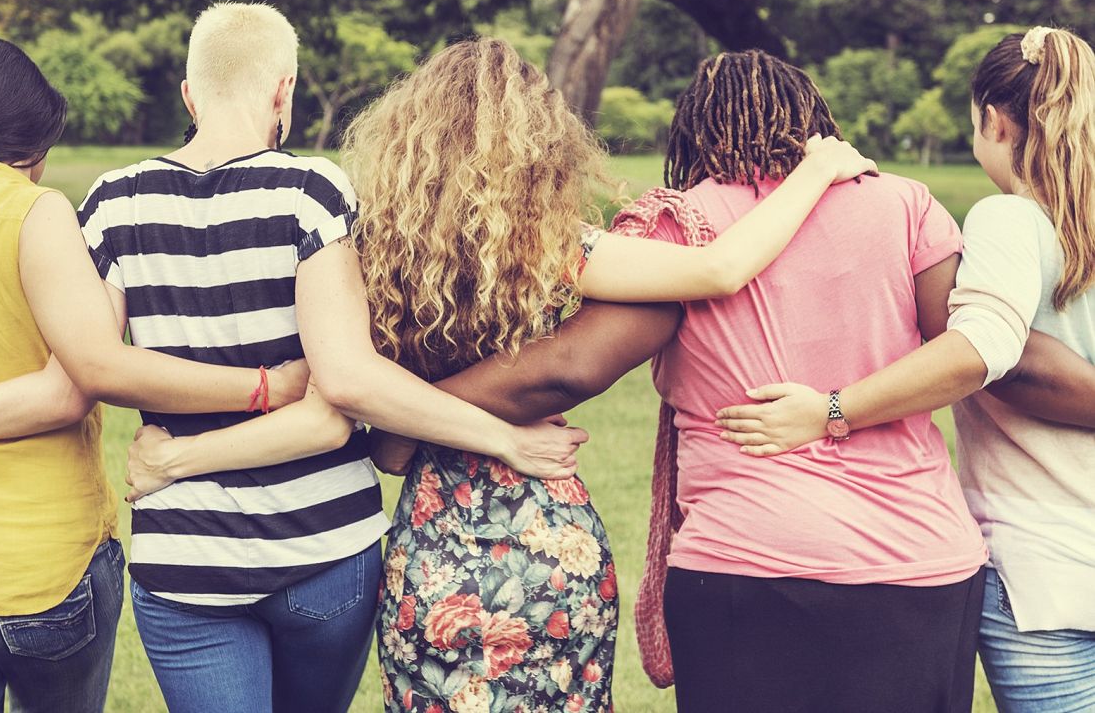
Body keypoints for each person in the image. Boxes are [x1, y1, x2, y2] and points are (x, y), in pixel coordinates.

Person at [125, 37, 876, 711]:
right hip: (552, 545)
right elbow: (719, 269)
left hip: (433, 550)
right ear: (540, 142)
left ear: (407, 138)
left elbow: (360, 406)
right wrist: (817, 169)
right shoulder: (552, 248)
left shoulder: (370, 253)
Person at [370, 46, 1095, 713]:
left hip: (749, 563)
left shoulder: (679, 223)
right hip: (922, 563)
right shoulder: (905, 204)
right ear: (817, 122)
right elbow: (983, 351)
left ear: (692, 133)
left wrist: (404, 411)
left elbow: (568, 367)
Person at [718, 27, 1095, 713]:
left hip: (1049, 576)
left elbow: (981, 347)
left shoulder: (1012, 219)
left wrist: (832, 409)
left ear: (993, 121)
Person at [0, 37, 312, 713]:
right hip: (40, 568)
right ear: (32, 145)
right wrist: (266, 386)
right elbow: (75, 383)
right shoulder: (33, 210)